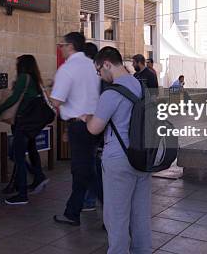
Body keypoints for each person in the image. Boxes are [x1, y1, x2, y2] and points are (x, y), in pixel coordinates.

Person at [82, 46, 151, 254]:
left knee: (116, 217)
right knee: (140, 216)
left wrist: (86, 118)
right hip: (142, 157)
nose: (100, 76)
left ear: (106, 64)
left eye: (98, 71)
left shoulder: (111, 93)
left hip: (119, 161)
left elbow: (95, 128)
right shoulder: (141, 86)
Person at [51, 32, 100, 226]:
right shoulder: (91, 66)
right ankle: (73, 211)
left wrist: (47, 92)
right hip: (93, 124)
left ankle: (115, 214)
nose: (59, 48)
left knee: (84, 171)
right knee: (86, 170)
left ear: (70, 46)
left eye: (61, 45)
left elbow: (57, 100)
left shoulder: (67, 69)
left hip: (79, 126)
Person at [0, 55, 49, 205]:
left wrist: (0, 109)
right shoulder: (35, 79)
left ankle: (23, 193)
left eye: (18, 63)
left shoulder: (23, 78)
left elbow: (14, 98)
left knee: (16, 155)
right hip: (33, 123)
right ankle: (38, 177)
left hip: (23, 122)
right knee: (31, 150)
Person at [81, 42, 103, 211]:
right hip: (98, 126)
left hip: (90, 125)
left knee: (90, 165)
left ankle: (91, 199)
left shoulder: (89, 74)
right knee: (93, 164)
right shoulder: (98, 74)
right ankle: (91, 199)